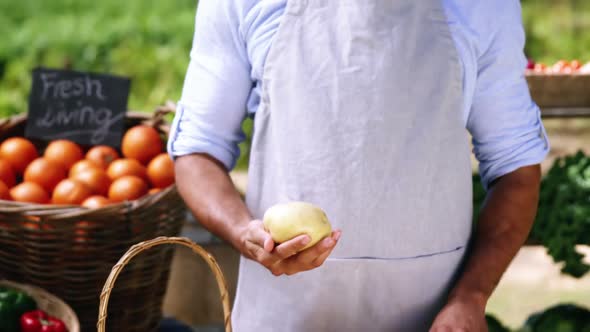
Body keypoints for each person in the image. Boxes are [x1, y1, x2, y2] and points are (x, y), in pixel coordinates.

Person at [168, 0, 550, 331]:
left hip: (431, 317)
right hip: (284, 314)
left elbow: (515, 173)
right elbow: (199, 152)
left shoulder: (483, 7)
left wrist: (471, 296)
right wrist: (242, 232)